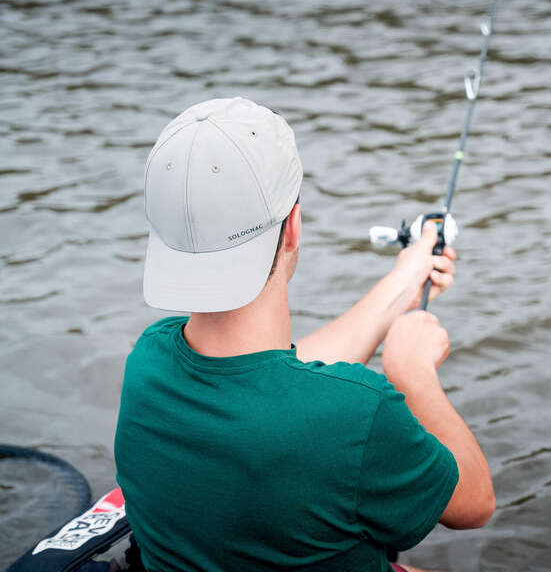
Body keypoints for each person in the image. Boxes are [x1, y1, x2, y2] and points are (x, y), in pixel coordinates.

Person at [114, 97, 495, 572]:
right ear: (292, 227)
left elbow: (266, 380)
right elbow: (475, 503)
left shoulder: (148, 361)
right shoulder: (359, 414)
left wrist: (401, 285)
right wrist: (412, 371)